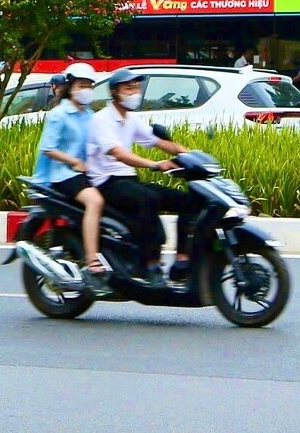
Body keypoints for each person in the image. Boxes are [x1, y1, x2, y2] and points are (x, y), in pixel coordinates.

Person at [86, 66, 197, 285]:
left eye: (136, 87)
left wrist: (190, 155)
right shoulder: (101, 120)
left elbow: (157, 141)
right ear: (115, 93)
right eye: (129, 88)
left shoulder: (131, 119)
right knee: (149, 199)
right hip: (107, 182)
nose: (135, 92)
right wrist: (154, 164)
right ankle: (150, 265)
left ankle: (182, 260)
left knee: (187, 200)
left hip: (128, 180)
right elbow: (118, 154)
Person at [31, 61, 109, 284]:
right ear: (70, 87)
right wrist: (73, 161)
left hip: (84, 173)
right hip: (62, 175)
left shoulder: (89, 116)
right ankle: (92, 260)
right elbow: (48, 149)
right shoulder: (59, 115)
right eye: (81, 85)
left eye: (89, 86)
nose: (86, 90)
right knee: (95, 202)